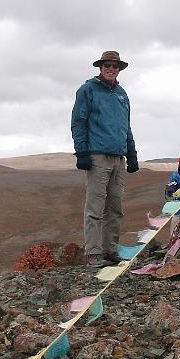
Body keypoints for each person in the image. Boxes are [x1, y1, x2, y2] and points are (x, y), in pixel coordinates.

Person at [71, 51, 138, 267]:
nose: (111, 69)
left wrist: (132, 153)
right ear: (100, 67)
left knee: (115, 207)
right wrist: (82, 152)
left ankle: (110, 250)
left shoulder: (122, 94)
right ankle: (93, 253)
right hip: (97, 156)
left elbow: (126, 127)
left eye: (115, 66)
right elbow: (79, 122)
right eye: (107, 65)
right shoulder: (88, 89)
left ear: (119, 69)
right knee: (95, 208)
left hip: (119, 158)